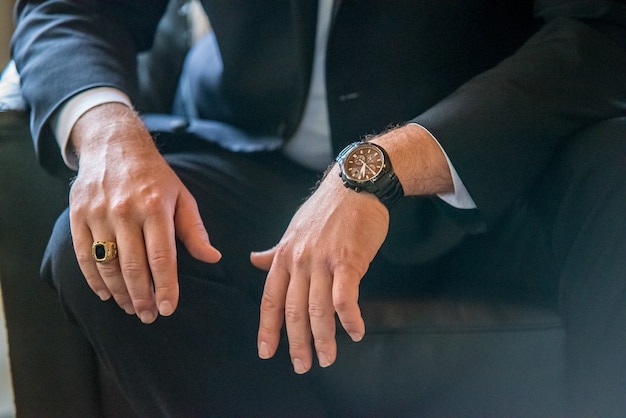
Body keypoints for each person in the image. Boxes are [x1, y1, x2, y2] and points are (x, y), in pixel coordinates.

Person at [11, 0, 626, 416]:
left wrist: (376, 170)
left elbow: (599, 30)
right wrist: (109, 138)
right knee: (102, 246)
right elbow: (70, 6)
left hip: (500, 167)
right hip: (257, 160)